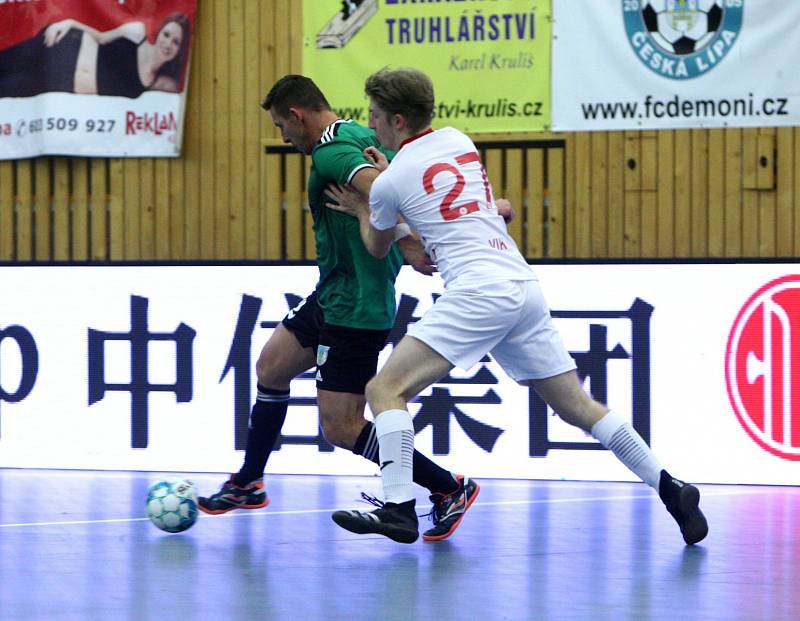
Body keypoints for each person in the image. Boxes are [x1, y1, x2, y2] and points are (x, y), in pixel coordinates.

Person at [327, 67, 708, 546]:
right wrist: (391, 177)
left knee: (385, 390)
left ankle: (401, 508)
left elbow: (379, 247)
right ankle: (671, 487)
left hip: (478, 291)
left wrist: (366, 206)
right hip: (520, 282)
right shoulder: (458, 141)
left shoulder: (388, 184)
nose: (372, 123)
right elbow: (437, 194)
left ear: (397, 120)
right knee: (579, 407)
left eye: (376, 116)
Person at [198, 74, 480, 543]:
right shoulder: (359, 134)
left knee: (342, 427)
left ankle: (449, 487)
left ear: (297, 115)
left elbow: (384, 187)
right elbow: (388, 192)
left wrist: (407, 229)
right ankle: (249, 481)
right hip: (332, 292)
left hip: (356, 307)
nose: (282, 138)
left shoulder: (331, 151)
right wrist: (407, 241)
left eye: (280, 126)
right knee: (271, 366)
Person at [0, 13, 191, 98]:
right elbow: (100, 37)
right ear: (159, 32)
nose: (168, 44)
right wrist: (68, 23)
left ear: (180, 50)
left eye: (176, 42)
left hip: (59, 82)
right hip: (62, 46)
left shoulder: (160, 83)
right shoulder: (137, 33)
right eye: (167, 35)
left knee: (5, 89)